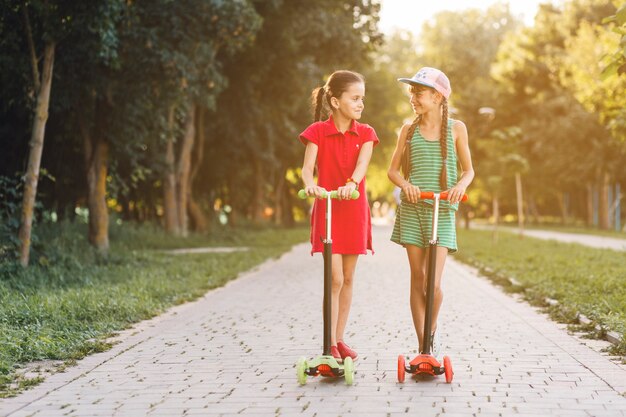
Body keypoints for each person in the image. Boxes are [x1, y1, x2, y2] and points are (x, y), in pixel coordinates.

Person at [387, 67, 474, 355]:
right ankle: (422, 346)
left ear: (437, 97)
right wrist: (405, 184)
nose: (413, 97)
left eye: (419, 92)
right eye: (411, 92)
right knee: (417, 278)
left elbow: (469, 170)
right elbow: (392, 171)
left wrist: (460, 186)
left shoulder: (456, 128)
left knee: (433, 283)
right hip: (412, 211)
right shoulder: (407, 130)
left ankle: (430, 333)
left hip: (442, 210)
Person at [299, 70, 379, 363]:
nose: (360, 104)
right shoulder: (318, 131)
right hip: (328, 209)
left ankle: (339, 339)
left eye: (362, 99)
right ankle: (328, 342)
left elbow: (362, 166)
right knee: (333, 278)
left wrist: (351, 184)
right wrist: (310, 184)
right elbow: (308, 168)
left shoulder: (366, 133)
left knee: (347, 278)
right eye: (355, 98)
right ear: (334, 101)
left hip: (353, 208)